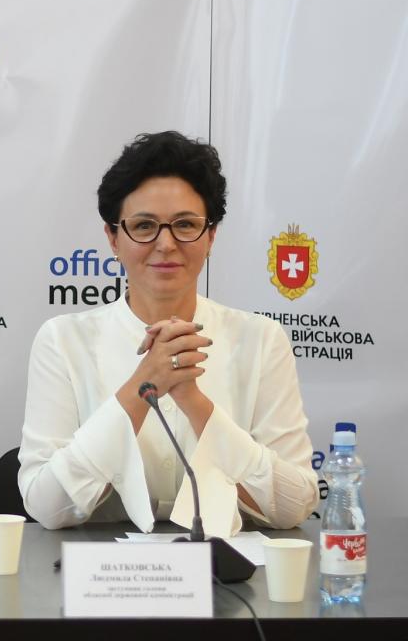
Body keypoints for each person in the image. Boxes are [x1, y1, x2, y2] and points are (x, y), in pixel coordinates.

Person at [17, 131, 316, 535]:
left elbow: (294, 506)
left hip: (228, 570)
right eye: (144, 226)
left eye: (185, 225)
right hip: (100, 569)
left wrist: (193, 401)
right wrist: (144, 384)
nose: (166, 243)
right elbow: (46, 505)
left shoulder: (261, 340)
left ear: (211, 236)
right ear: (113, 238)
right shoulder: (63, 340)